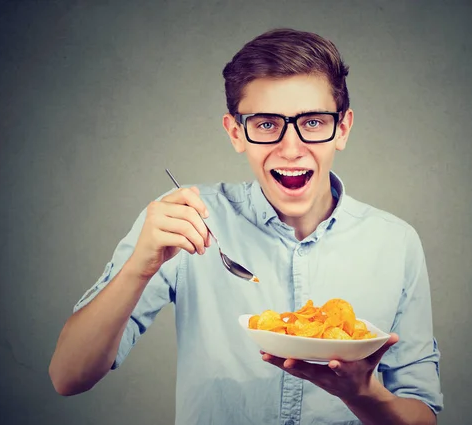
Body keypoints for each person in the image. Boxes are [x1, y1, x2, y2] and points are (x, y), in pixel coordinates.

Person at [49, 28, 443, 425]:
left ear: (341, 128)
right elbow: (68, 377)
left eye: (313, 121)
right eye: (267, 124)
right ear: (236, 132)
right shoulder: (184, 219)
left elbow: (421, 415)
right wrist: (139, 266)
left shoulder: (396, 243)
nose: (291, 148)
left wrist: (364, 395)